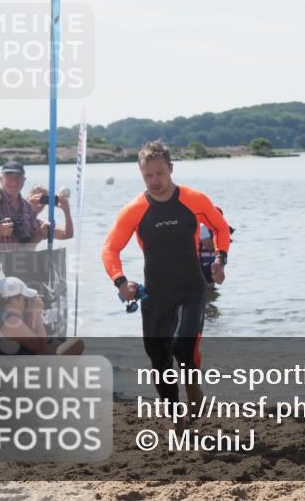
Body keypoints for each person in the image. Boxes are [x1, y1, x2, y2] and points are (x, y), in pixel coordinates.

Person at [101, 141, 231, 419]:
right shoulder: (135, 209)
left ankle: (193, 386)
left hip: (191, 289)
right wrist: (120, 281)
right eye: (148, 175)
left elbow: (220, 226)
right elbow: (110, 248)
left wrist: (220, 259)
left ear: (171, 169)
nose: (155, 181)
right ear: (141, 174)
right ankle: (175, 417)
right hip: (156, 294)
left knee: (182, 347)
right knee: (159, 360)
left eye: (160, 173)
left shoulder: (194, 200)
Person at [0, 276, 83, 356]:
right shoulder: (12, 322)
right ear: (14, 300)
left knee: (56, 344)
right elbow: (41, 348)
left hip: (1, 366)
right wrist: (37, 313)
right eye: (24, 298)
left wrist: (32, 314)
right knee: (76, 344)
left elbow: (30, 340)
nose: (26, 301)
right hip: (14, 373)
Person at [199, 208, 235, 288]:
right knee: (205, 288)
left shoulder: (220, 228)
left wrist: (225, 240)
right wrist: (223, 242)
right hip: (202, 263)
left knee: (211, 289)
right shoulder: (203, 227)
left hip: (214, 262)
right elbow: (209, 246)